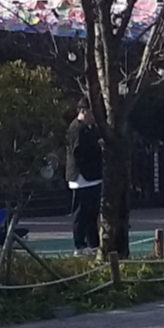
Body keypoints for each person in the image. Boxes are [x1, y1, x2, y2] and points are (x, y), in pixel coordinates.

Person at [64, 106, 104, 252]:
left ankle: (93, 243)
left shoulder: (91, 128)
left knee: (92, 213)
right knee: (81, 213)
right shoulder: (77, 128)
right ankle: (79, 245)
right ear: (83, 111)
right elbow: (78, 151)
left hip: (93, 175)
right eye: (91, 111)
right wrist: (97, 147)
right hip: (82, 177)